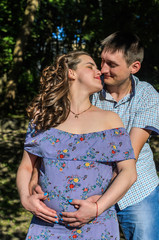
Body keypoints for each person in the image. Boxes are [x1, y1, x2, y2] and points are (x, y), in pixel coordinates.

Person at [16, 50, 137, 239]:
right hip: (47, 225)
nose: (99, 71)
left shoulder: (111, 120)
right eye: (90, 66)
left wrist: (97, 208)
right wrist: (25, 198)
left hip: (97, 225)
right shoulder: (44, 118)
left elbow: (128, 173)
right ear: (71, 73)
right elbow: (26, 166)